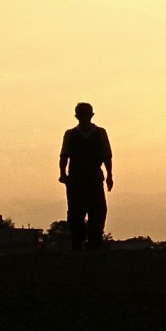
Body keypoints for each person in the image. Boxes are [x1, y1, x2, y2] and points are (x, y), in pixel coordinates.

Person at [58, 102, 113, 250]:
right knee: (77, 213)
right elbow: (64, 156)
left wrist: (109, 175)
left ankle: (93, 241)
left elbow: (107, 156)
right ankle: (79, 241)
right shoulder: (70, 134)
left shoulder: (100, 133)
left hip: (92, 177)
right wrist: (63, 174)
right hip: (77, 178)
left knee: (97, 211)